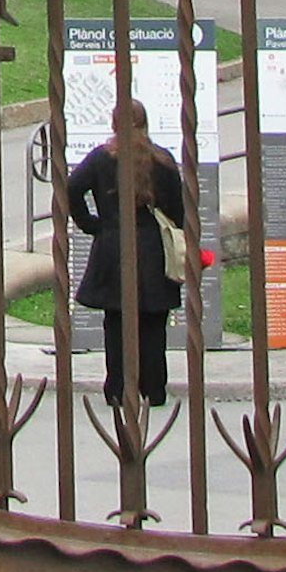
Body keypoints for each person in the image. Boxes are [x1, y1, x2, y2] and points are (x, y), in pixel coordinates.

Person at [65, 102, 192, 411]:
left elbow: (72, 188)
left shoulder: (102, 158)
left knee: (117, 320)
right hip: (152, 247)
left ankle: (119, 388)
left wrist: (92, 224)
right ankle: (154, 388)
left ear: (114, 123)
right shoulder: (161, 159)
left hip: (114, 245)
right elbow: (178, 209)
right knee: (153, 322)